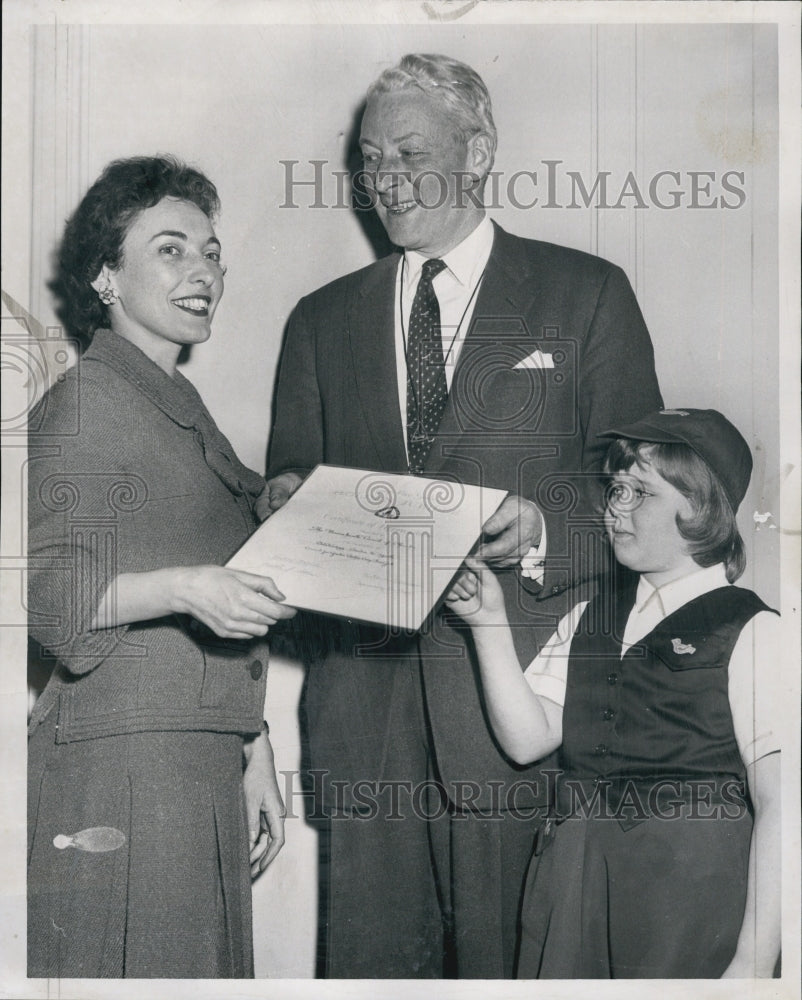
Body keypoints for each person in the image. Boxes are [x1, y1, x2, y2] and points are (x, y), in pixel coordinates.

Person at [265, 54, 663, 977]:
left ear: (478, 153)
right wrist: (283, 503)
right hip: (363, 719)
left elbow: (643, 490)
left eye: (410, 151)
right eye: (370, 158)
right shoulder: (318, 320)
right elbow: (287, 480)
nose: (386, 179)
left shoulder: (588, 294)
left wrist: (542, 529)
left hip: (520, 713)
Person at [27, 155, 296, 978]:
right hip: (123, 770)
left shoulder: (177, 410)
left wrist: (256, 749)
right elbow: (45, 595)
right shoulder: (87, 402)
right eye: (171, 250)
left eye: (212, 252)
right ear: (106, 277)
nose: (204, 271)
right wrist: (187, 589)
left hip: (189, 762)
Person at [446, 408, 781, 978]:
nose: (614, 507)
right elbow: (528, 739)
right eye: (615, 488)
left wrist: (753, 959)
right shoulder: (588, 616)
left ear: (701, 509)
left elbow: (782, 805)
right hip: (573, 876)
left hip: (688, 895)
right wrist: (487, 624)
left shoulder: (754, 630)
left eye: (640, 493)